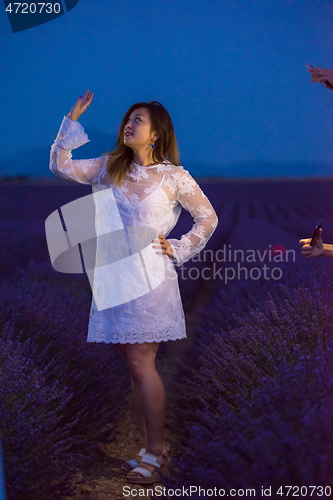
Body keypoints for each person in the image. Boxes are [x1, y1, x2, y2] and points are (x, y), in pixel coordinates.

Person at [49, 90, 218, 484]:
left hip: (150, 277)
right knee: (134, 366)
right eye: (128, 119)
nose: (129, 124)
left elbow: (207, 220)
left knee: (143, 364)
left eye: (138, 120)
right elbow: (60, 165)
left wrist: (176, 247)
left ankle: (156, 451)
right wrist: (70, 119)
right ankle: (148, 446)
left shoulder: (175, 177)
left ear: (157, 133)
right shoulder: (109, 167)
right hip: (112, 276)